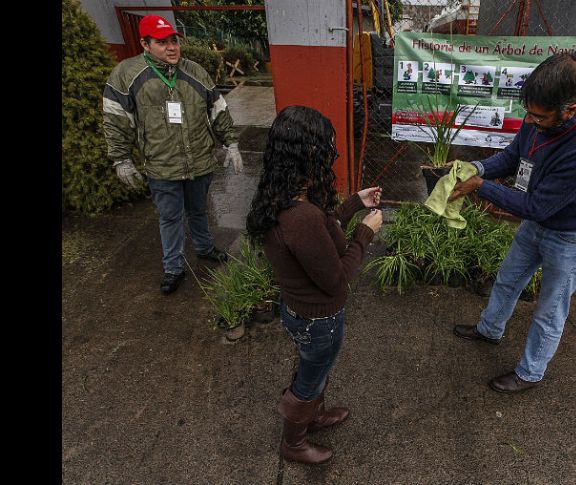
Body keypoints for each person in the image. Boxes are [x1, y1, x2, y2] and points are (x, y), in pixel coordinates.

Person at [448, 52, 576, 394]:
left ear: (570, 110)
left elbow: (537, 206)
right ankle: (489, 330)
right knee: (508, 279)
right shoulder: (539, 116)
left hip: (573, 236)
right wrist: (477, 169)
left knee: (549, 309)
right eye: (528, 112)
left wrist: (481, 187)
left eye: (538, 116)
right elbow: (513, 157)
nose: (529, 120)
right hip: (540, 222)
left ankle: (530, 372)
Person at [246, 105, 383, 464]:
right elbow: (336, 278)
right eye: (328, 148)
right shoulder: (301, 215)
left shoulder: (281, 194)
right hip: (317, 319)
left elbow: (318, 236)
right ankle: (292, 443)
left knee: (315, 369)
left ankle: (314, 415)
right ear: (308, 153)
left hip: (299, 311)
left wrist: (354, 204)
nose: (332, 154)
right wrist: (365, 234)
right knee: (310, 377)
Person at [103, 15, 244, 295]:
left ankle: (204, 247)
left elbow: (218, 109)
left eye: (173, 41)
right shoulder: (127, 74)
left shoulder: (194, 71)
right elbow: (116, 119)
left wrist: (231, 143)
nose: (171, 48)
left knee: (199, 210)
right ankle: (173, 268)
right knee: (170, 217)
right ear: (145, 44)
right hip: (162, 165)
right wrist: (121, 159)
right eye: (161, 42)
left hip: (199, 161)